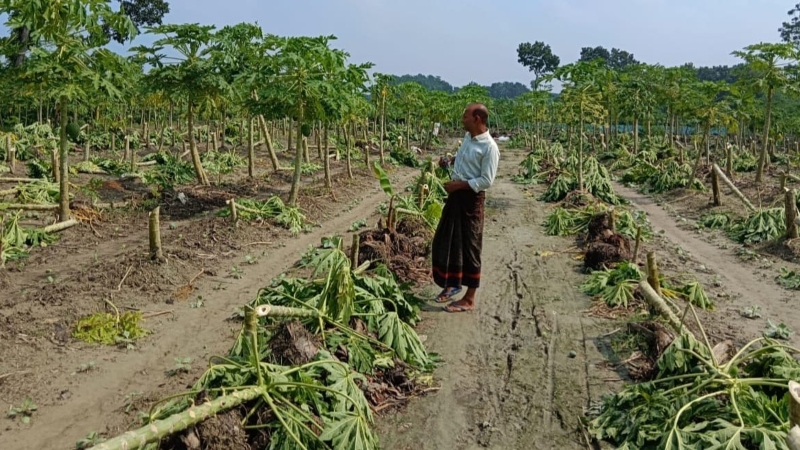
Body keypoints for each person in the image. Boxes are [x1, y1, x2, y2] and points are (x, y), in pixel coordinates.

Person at [432, 103, 500, 313]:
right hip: (456, 197)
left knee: (470, 247)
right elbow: (465, 162)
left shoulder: (489, 147)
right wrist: (451, 161)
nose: (462, 119)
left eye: (465, 116)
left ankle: (469, 298)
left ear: (477, 118)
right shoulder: (469, 140)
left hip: (471, 200)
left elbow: (486, 180)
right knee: (448, 240)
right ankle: (452, 283)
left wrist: (459, 185)